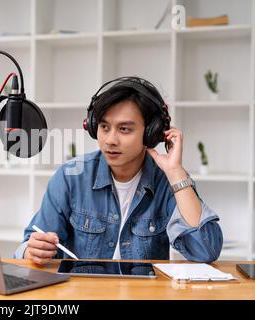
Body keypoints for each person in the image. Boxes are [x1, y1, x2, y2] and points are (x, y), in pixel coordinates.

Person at [14, 76, 223, 265]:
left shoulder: (168, 181)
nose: (110, 140)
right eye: (104, 127)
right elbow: (28, 246)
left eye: (124, 129)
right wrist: (31, 251)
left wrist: (176, 172)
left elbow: (206, 251)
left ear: (152, 133)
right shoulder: (71, 176)